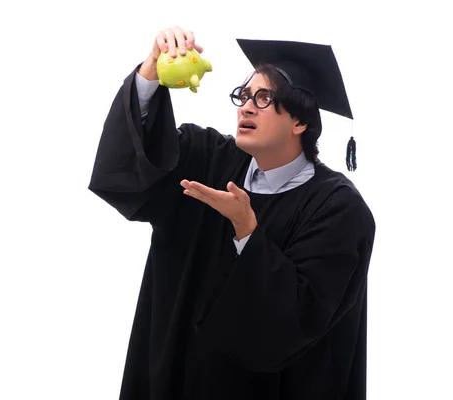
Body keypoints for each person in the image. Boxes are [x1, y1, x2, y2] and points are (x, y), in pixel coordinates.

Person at [88, 26, 376, 400]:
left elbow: (298, 323)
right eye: (244, 95)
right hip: (177, 379)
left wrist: (247, 230)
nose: (246, 105)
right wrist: (149, 73)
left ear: (300, 122)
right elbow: (132, 172)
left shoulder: (338, 210)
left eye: (264, 97)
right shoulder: (206, 158)